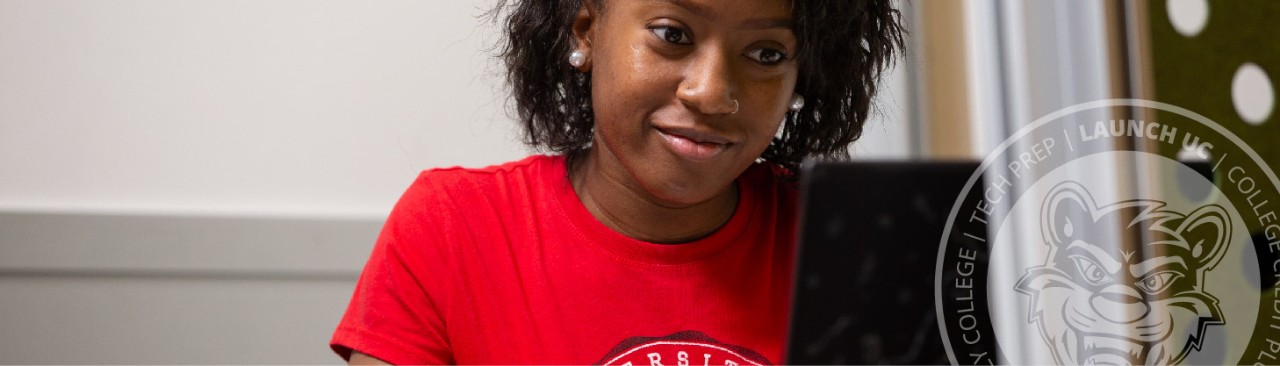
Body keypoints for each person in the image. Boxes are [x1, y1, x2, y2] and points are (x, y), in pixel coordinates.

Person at [330, 0, 903, 364]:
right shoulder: (452, 227)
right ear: (587, 31)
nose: (710, 91)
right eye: (671, 34)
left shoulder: (847, 247)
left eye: (766, 52)